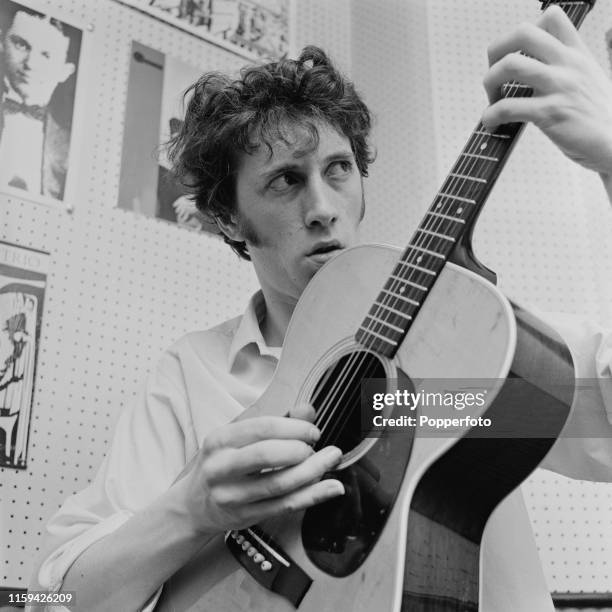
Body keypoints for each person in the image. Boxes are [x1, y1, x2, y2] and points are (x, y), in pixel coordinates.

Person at [30, 5, 612, 611]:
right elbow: (59, 601)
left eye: (339, 170)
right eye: (285, 180)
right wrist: (191, 508)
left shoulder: (472, 352)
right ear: (228, 216)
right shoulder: (192, 374)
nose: (323, 206)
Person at [0, 5, 76, 200]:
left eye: (46, 55)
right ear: (1, 44)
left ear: (65, 71)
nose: (31, 64)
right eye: (21, 45)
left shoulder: (72, 144)